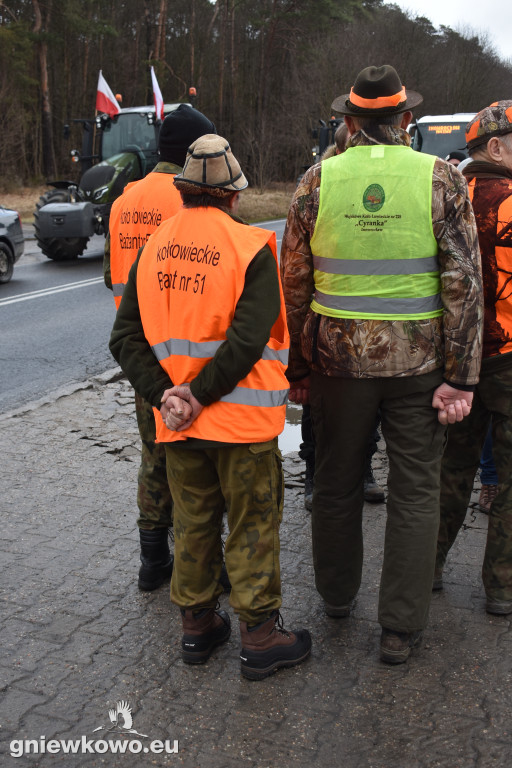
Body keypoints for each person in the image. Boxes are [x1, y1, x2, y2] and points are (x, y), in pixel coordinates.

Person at [280, 65, 482, 663]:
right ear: (405, 121)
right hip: (419, 367)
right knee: (416, 491)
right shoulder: (441, 178)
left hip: (337, 366)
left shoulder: (316, 181)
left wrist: (299, 366)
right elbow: (466, 285)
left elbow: (292, 282)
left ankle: (337, 598)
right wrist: (460, 376)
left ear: (348, 122)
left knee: (336, 483)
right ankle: (399, 627)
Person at [109, 134, 311, 679]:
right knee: (252, 524)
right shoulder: (249, 247)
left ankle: (198, 629)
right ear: (233, 196)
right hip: (241, 424)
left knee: (193, 521)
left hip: (177, 425)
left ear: (183, 191)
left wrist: (167, 397)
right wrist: (198, 395)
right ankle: (261, 637)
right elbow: (246, 342)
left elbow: (124, 338)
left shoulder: (154, 246)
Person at [104, 104, 217, 591]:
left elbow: (112, 275)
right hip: (184, 347)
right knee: (197, 459)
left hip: (137, 350)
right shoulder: (189, 198)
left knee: (152, 452)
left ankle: (152, 560)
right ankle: (207, 565)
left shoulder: (124, 200)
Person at [435, 102, 512, 615]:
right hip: (508, 358)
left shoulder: (446, 196)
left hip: (454, 360)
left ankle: (425, 570)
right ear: (497, 147)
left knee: (449, 470)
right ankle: (502, 588)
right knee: (509, 480)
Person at [301, 119, 385, 510]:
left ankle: (357, 471)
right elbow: (296, 274)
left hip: (367, 327)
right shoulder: (322, 185)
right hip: (330, 325)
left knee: (363, 417)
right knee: (319, 416)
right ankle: (314, 476)